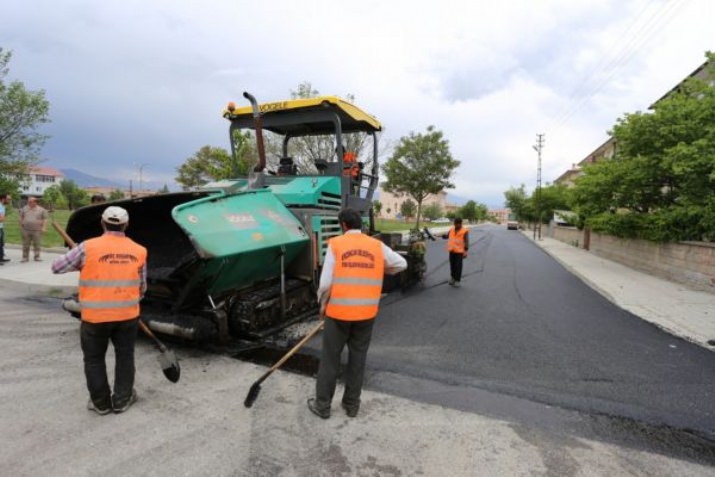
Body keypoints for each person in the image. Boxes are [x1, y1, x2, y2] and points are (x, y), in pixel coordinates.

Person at [308, 208, 407, 419]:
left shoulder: (336, 244)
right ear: (360, 225)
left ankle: (323, 406)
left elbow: (325, 284)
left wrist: (322, 305)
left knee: (330, 359)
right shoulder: (376, 245)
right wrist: (381, 268)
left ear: (343, 225)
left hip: (339, 313)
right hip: (366, 313)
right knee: (358, 358)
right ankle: (352, 405)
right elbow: (401, 263)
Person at [52, 206, 148, 415]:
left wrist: (80, 262)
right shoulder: (139, 250)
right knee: (125, 356)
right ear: (126, 225)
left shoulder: (87, 248)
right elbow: (142, 287)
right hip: (127, 316)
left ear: (102, 223)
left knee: (94, 359)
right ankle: (122, 400)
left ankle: (100, 403)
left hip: (95, 318)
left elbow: (56, 267)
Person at [19, 196, 48, 262]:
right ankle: (25, 257)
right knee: (25, 244)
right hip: (26, 229)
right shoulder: (24, 208)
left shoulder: (41, 209)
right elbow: (21, 217)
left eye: (30, 202)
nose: (28, 203)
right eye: (28, 201)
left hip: (37, 230)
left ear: (35, 202)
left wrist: (44, 227)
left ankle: (37, 256)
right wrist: (21, 225)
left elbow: (45, 219)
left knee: (37, 244)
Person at [442, 217, 469, 287]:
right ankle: (452, 278)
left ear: (460, 224)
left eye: (457, 224)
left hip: (459, 252)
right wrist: (442, 236)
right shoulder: (451, 229)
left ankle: (457, 280)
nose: (455, 226)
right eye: (454, 224)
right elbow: (447, 236)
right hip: (452, 250)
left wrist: (465, 251)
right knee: (452, 265)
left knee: (458, 267)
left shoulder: (464, 231)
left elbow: (466, 242)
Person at [0, 193, 10, 264]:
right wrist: (3, 218)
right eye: (8, 199)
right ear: (3, 199)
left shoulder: (2, 206)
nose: (9, 200)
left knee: (1, 243)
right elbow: (1, 219)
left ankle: (1, 257)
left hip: (1, 227)